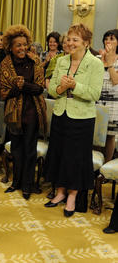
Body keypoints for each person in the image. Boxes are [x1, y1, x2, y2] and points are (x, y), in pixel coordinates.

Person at [44, 23, 104, 217]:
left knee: (76, 158)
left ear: (86, 43)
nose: (70, 43)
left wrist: (74, 85)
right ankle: (60, 191)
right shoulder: (61, 61)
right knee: (60, 153)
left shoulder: (95, 63)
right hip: (61, 113)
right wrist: (61, 88)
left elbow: (95, 93)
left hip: (82, 118)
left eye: (75, 40)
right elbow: (52, 89)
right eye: (68, 39)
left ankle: (72, 195)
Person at [0, 25, 47, 199]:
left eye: (24, 44)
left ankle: (28, 185)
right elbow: (3, 92)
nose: (22, 48)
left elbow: (40, 88)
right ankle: (16, 182)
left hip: (32, 112)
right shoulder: (4, 64)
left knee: (29, 150)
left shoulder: (34, 62)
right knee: (16, 149)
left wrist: (23, 85)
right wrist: (17, 88)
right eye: (18, 45)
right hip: (13, 113)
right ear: (10, 47)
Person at [97, 29, 118, 163]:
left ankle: (105, 168)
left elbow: (115, 81)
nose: (108, 41)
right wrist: (103, 60)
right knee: (96, 135)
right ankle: (94, 166)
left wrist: (110, 63)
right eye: (106, 38)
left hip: (114, 103)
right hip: (97, 101)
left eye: (112, 39)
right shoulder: (97, 59)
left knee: (110, 136)